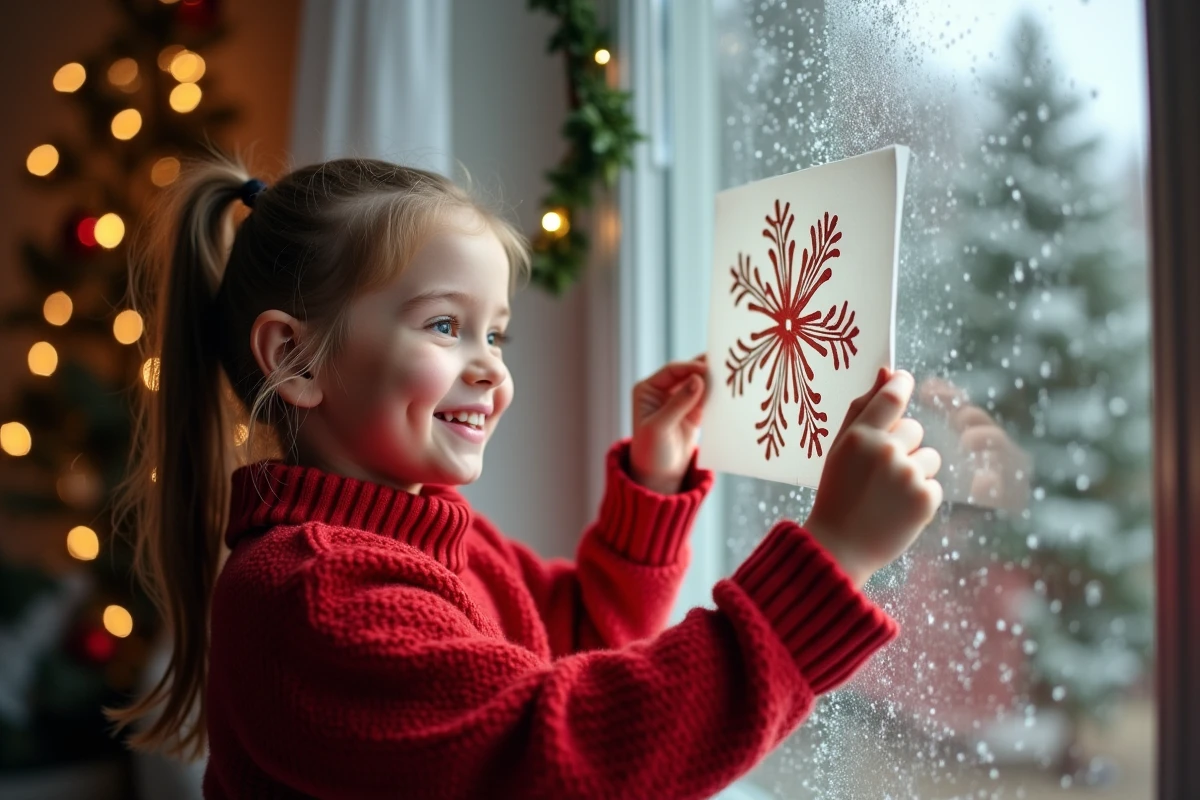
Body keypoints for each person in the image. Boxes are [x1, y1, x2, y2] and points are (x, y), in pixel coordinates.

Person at [105, 152, 943, 799]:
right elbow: (562, 756)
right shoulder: (314, 596)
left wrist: (652, 479)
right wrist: (829, 560)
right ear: (295, 359)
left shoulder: (433, 541)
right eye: (445, 325)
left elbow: (577, 636)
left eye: (495, 335)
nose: (490, 371)